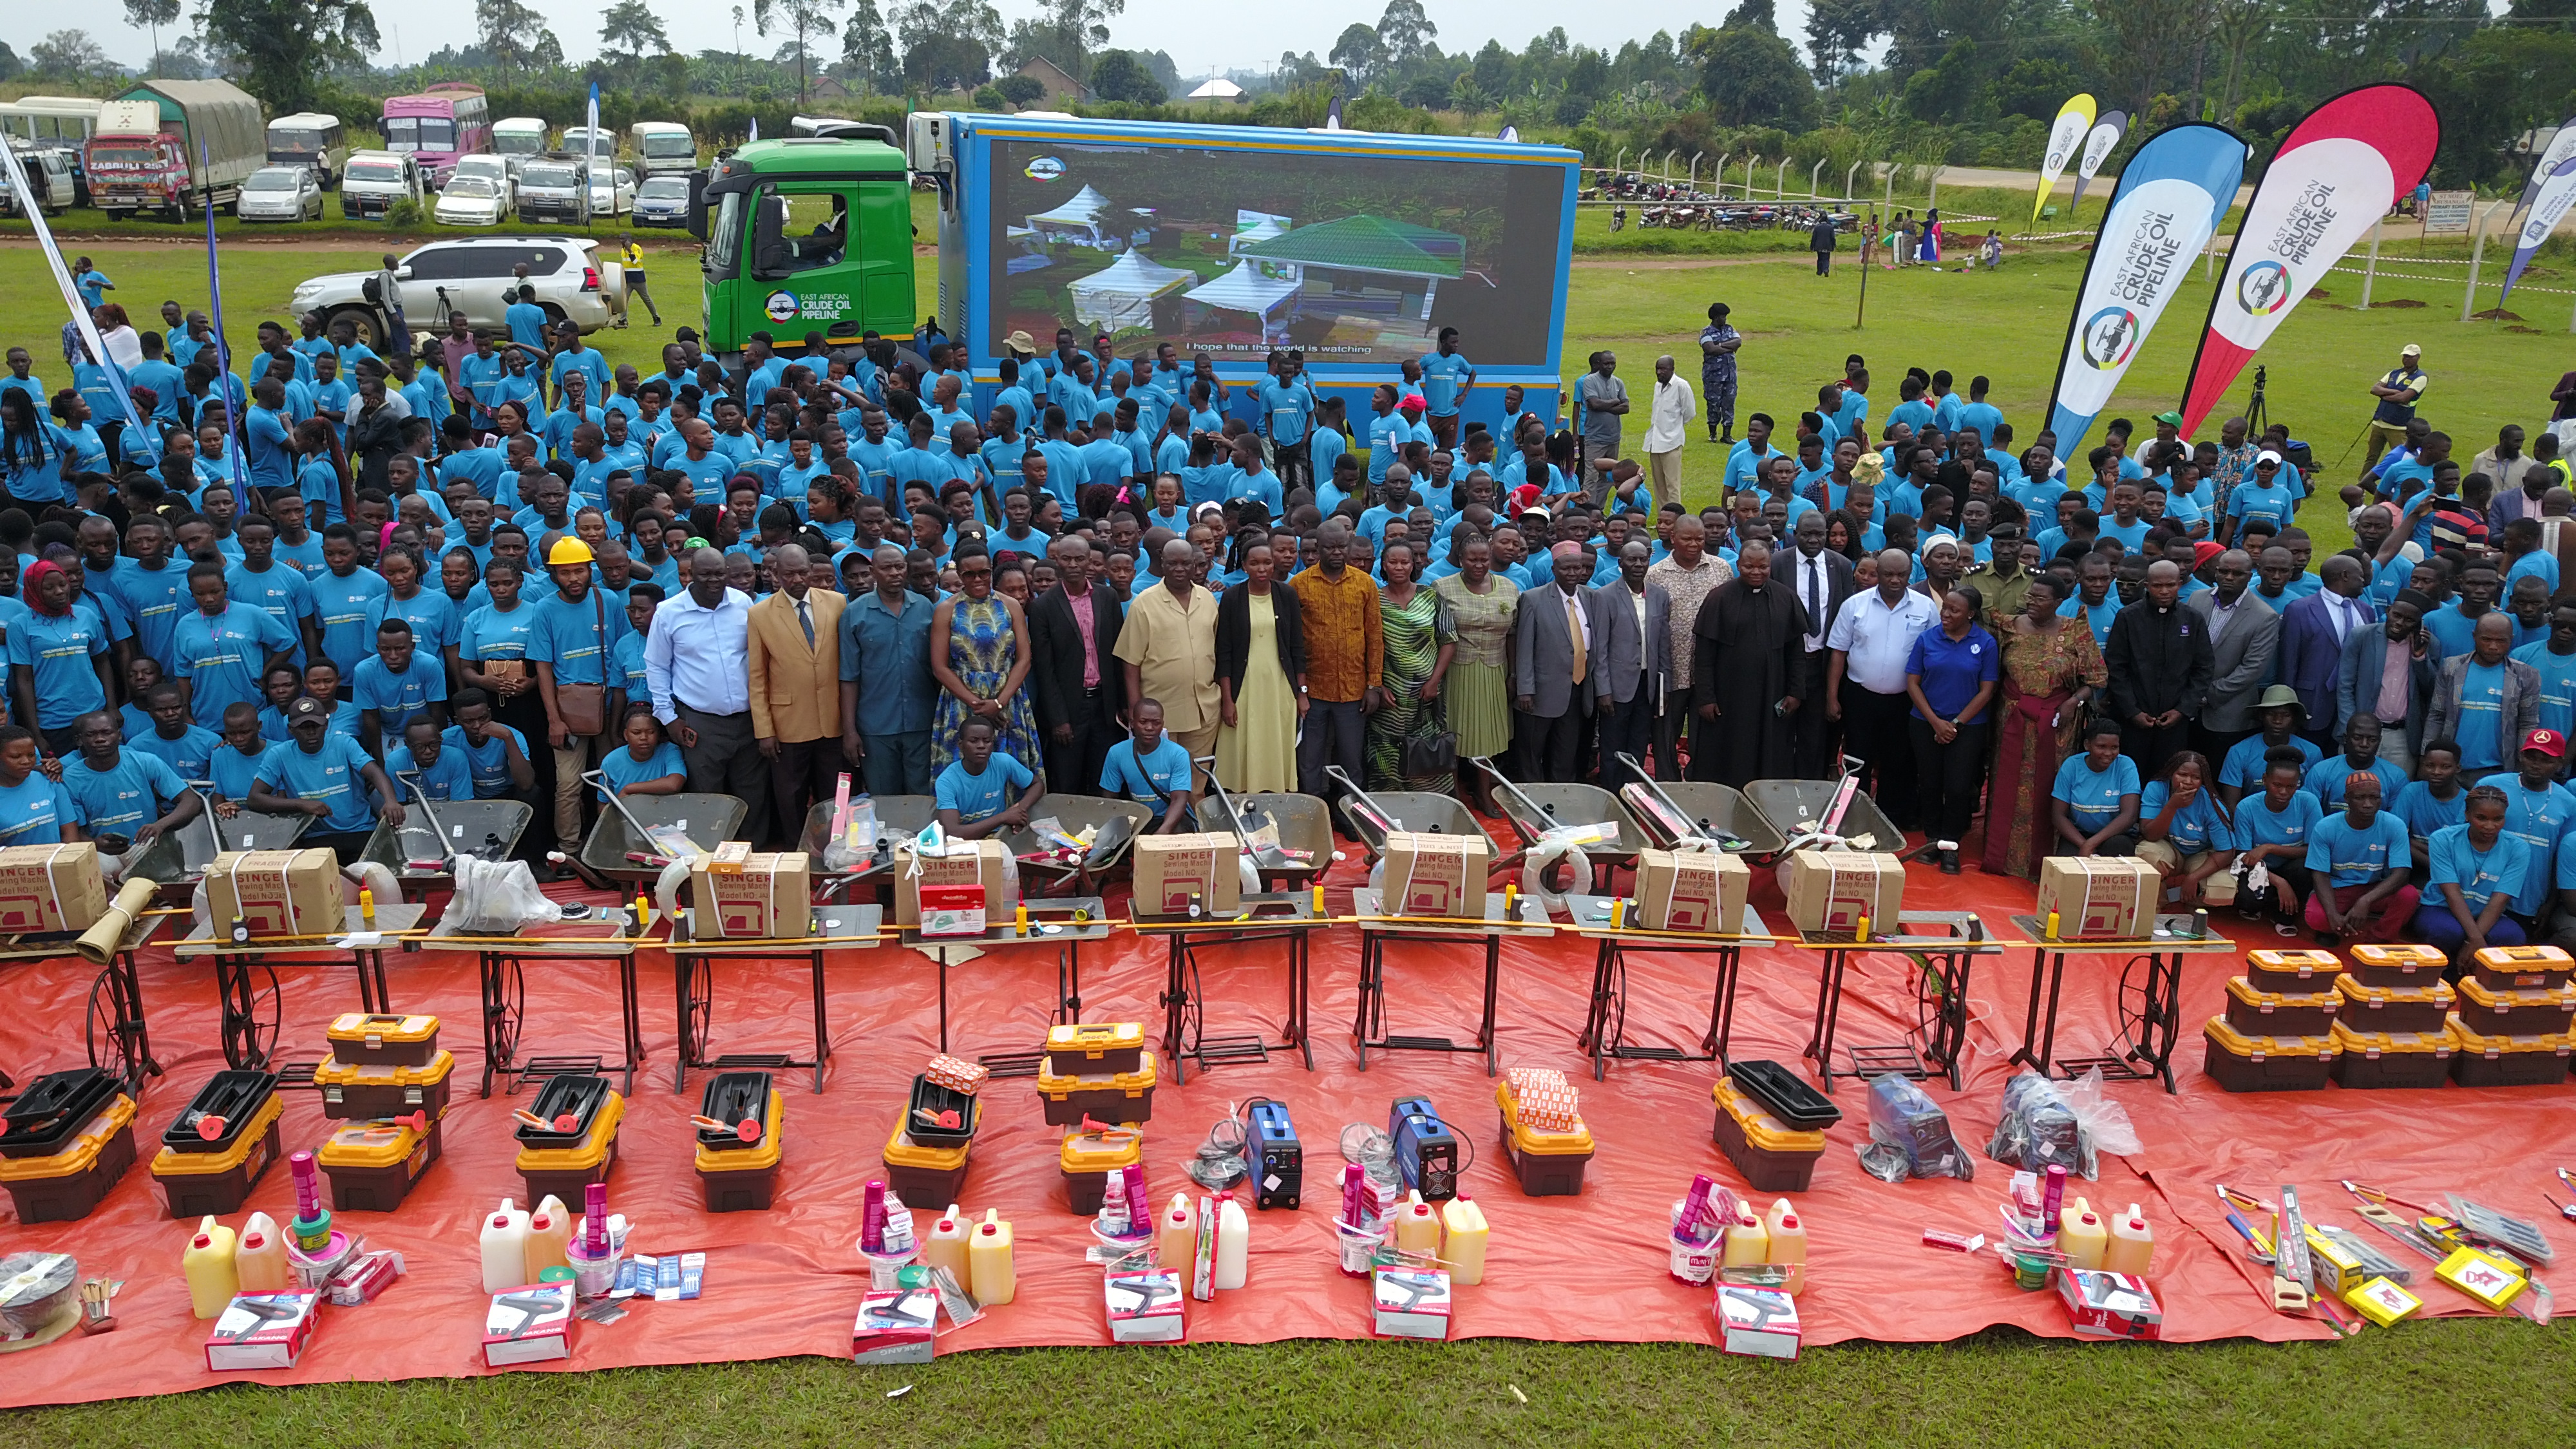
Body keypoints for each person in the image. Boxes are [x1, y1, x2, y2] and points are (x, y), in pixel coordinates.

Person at [1984, 573, 2108, 879]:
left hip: (2057, 722)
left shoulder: (2075, 630)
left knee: (2048, 783)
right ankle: (2001, 855)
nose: (2032, 602)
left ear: (2058, 602)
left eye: (2040, 598)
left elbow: (2096, 678)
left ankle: (2043, 857)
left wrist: (2074, 701)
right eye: (2031, 596)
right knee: (2006, 783)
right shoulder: (2007, 626)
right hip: (2012, 718)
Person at [643, 546, 767, 845]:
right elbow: (656, 666)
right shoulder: (669, 613)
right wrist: (668, 718)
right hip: (700, 723)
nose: (713, 581)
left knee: (753, 794)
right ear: (690, 576)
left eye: (719, 574)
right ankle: (712, 858)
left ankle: (754, 857)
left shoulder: (742, 603)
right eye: (705, 574)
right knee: (707, 796)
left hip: (748, 720)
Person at [1827, 548, 1937, 821]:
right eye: (1888, 574)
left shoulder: (1926, 607)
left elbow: (1934, 654)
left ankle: (1891, 818)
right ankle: (1854, 815)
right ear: (1878, 573)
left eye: (1902, 574)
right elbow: (1839, 652)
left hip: (1904, 700)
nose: (1895, 580)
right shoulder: (1855, 605)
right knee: (1857, 758)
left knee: (1898, 760)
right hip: (1860, 697)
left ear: (1910, 574)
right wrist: (1832, 697)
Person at [1690, 540, 1809, 786]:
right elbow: (1704, 656)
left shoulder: (1786, 597)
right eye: (1749, 566)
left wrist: (1795, 691)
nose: (1756, 572)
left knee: (1772, 750)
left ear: (1770, 565)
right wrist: (1706, 697)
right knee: (1728, 752)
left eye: (1763, 567)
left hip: (1773, 691)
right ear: (1738, 565)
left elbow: (1796, 652)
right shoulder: (1719, 598)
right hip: (1729, 696)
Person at [1904, 585, 1998, 873]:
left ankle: (1951, 845)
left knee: (1958, 787)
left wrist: (1956, 724)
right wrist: (1936, 722)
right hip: (1926, 724)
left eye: (1954, 610)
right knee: (1930, 783)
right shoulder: (1927, 639)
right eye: (1944, 607)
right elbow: (1912, 683)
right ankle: (1933, 840)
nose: (1945, 614)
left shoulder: (1985, 643)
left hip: (1967, 728)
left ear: (1971, 614)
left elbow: (1987, 690)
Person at [1289, 522, 1382, 810]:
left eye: (1342, 546)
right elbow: (1293, 641)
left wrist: (1373, 685)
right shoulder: (1299, 585)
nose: (1337, 552)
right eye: (1330, 547)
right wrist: (1300, 690)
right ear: (1317, 549)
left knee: (1352, 759)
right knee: (1310, 759)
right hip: (1313, 690)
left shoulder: (1365, 584)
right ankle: (1314, 812)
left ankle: (1351, 813)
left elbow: (1374, 636)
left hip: (1354, 689)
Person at [1115, 536, 1223, 781]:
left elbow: (1216, 649)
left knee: (1197, 779)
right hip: (1161, 713)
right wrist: (1135, 708)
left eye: (1185, 563)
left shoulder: (1207, 599)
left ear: (1195, 565)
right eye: (1172, 563)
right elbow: (1130, 662)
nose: (1179, 569)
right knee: (1161, 779)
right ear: (1162, 563)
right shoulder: (1144, 604)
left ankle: (1195, 808)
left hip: (1204, 709)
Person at [248, 695, 402, 863]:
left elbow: (374, 772)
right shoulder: (279, 754)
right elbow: (255, 798)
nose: (311, 732)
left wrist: (391, 801)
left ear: (326, 725)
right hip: (314, 837)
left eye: (316, 726)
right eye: (303, 727)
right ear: (291, 729)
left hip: (360, 831)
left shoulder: (344, 743)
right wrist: (301, 804)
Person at [1028, 535, 1127, 797]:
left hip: (1105, 706)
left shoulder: (1108, 597)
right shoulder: (1043, 606)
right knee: (1066, 780)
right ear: (1057, 561)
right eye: (1066, 559)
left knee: (1105, 780)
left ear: (1090, 562)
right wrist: (1058, 719)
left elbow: (1118, 655)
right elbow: (1044, 669)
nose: (1073, 565)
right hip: (1069, 708)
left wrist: (1123, 704)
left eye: (1079, 559)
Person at [841, 544, 938, 798]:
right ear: (873, 572)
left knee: (923, 797)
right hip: (876, 726)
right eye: (886, 568)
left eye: (899, 567)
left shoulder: (926, 608)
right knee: (884, 798)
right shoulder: (854, 613)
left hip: (922, 721)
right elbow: (849, 677)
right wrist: (850, 731)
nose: (894, 573)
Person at [2104, 560, 2212, 781]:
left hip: (2175, 721)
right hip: (2133, 719)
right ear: (2146, 585)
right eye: (2157, 586)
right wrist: (2132, 711)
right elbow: (2116, 667)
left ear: (2179, 584)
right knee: (2131, 776)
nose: (2164, 591)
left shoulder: (2193, 619)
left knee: (2167, 777)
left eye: (2170, 585)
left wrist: (2182, 710)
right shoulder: (2128, 617)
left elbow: (2203, 668)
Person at [1365, 540, 1457, 793]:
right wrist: (1377, 686)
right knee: (1387, 752)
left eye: (1404, 562)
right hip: (1389, 697)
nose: (1399, 567)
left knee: (1427, 751)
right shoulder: (1374, 600)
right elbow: (1365, 646)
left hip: (1426, 696)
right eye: (1393, 562)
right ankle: (1389, 805)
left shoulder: (1431, 596)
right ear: (1383, 565)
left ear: (1413, 565)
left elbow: (1449, 640)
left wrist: (1434, 681)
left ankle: (1430, 803)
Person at [1213, 538, 1303, 796]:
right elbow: (1224, 653)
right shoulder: (1232, 597)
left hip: (1279, 686)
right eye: (1254, 563)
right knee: (1243, 740)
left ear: (1274, 564)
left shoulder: (1287, 595)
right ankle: (1242, 800)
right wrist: (1228, 700)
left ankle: (1276, 797)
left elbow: (1297, 647)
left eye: (1267, 562)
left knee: (1275, 741)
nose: (1261, 569)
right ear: (1244, 566)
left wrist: (1302, 692)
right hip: (1244, 686)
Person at [1512, 543, 1604, 782]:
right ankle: (1531, 795)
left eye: (1577, 568)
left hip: (1576, 690)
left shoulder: (1591, 598)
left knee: (1566, 753)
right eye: (1566, 568)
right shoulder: (1533, 599)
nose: (1573, 573)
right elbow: (1524, 648)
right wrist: (1525, 690)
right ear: (1554, 570)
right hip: (1540, 693)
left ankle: (1562, 794)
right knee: (1532, 753)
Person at [57, 710, 203, 857]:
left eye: (107, 732)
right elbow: (72, 832)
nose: (100, 739)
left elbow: (191, 801)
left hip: (147, 847)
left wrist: (160, 825)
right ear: (79, 740)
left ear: (119, 735)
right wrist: (95, 845)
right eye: (91, 734)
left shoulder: (146, 762)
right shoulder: (70, 778)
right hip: (102, 854)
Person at [8, 559, 116, 757]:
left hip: (93, 712)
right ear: (34, 591)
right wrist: (36, 733)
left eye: (62, 584)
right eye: (49, 588)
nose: (59, 591)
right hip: (53, 720)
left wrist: (111, 707)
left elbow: (102, 661)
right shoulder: (20, 625)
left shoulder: (86, 616)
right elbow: (24, 679)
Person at [2185, 547, 2281, 765]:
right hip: (2186, 708)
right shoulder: (2197, 599)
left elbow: (2253, 668)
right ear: (2216, 572)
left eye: (2237, 574)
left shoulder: (2265, 616)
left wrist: (2208, 694)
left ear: (2250, 576)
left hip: (2227, 716)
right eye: (2224, 571)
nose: (2229, 577)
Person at [2425, 612, 2540, 781]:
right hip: (2451, 768)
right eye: (2486, 639)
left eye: (2501, 641)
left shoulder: (2526, 675)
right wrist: (2426, 755)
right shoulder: (2452, 667)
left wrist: (2521, 765)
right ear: (2474, 636)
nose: (2493, 647)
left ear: (2511, 639)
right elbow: (2437, 715)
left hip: (2499, 770)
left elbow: (2528, 723)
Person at [2304, 772, 2417, 943]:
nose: (2368, 804)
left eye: (2374, 798)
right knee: (2317, 918)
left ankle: (2379, 938)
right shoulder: (2326, 827)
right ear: (2347, 799)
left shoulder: (2394, 825)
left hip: (2375, 887)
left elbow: (2401, 874)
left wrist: (2365, 901)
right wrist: (2332, 914)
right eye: (2360, 798)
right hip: (2339, 887)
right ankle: (2337, 925)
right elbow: (2320, 875)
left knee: (2409, 895)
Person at [2336, 589, 2438, 776]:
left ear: (2419, 623)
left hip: (2402, 737)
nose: (2400, 623)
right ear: (2388, 610)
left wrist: (2420, 658)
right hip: (2361, 734)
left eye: (2409, 620)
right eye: (2397, 615)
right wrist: (2349, 729)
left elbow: (2431, 690)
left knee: (2396, 786)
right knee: (2353, 785)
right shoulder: (2362, 636)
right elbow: (2345, 686)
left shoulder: (2430, 644)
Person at [2418, 785, 2529, 956]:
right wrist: (2475, 939)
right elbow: (2451, 894)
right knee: (2447, 932)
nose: (2490, 826)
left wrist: (2473, 941)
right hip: (2441, 907)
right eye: (2481, 818)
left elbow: (2500, 900)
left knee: (2512, 936)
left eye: (2498, 819)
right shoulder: (2443, 839)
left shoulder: (2518, 848)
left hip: (2486, 912)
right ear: (2467, 815)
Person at [2136, 751, 2240, 909]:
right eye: (2182, 775)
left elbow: (2227, 852)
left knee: (2223, 889)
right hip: (2169, 848)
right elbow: (2150, 834)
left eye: (2196, 778)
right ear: (2172, 773)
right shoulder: (2157, 788)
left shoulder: (2212, 803)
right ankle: (2157, 902)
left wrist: (2193, 878)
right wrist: (2172, 806)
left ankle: (2189, 900)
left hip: (2200, 855)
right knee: (2147, 855)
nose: (2188, 782)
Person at [933, 715, 1042, 840]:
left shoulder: (1003, 762)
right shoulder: (947, 781)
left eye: (987, 741)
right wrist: (1003, 817)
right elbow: (954, 832)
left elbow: (1037, 784)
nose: (981, 746)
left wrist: (1019, 810)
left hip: (999, 835)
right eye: (974, 741)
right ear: (961, 745)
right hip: (965, 841)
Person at [1101, 697, 1195, 833]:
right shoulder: (1117, 753)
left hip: (1170, 819)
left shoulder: (1178, 754)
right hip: (1139, 818)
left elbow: (1179, 799)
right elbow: (1110, 798)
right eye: (1143, 722)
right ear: (1132, 723)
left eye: (1156, 723)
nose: (1150, 728)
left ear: (1162, 725)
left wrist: (1161, 834)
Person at [2052, 719, 2142, 857]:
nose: (2108, 753)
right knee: (2067, 862)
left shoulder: (2125, 766)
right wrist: (2084, 844)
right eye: (2101, 747)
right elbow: (2058, 815)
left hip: (2115, 835)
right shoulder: (2072, 766)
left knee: (2119, 847)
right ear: (2087, 745)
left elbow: (2129, 815)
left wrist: (2091, 844)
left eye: (2114, 747)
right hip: (2079, 835)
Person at [0, 726, 77, 844]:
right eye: (16, 757)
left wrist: (65, 856)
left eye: (31, 755)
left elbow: (70, 833)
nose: (26, 761)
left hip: (58, 855)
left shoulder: (50, 779)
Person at [2362, 343, 2427, 473]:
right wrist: (2395, 392)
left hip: (2398, 426)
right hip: (2379, 422)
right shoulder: (2394, 373)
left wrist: (2384, 395)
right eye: (2405, 356)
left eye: (2411, 357)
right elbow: (2374, 389)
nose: (2407, 359)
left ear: (2418, 357)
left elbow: (2404, 398)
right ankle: (2363, 482)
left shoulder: (2421, 377)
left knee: (2402, 459)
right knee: (2371, 457)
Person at [1642, 356, 1696, 511]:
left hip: (1672, 443)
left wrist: (1674, 427)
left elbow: (1689, 413)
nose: (1659, 372)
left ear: (1672, 369)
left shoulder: (1682, 386)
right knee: (1659, 485)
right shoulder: (1657, 386)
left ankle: (1675, 517)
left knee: (1672, 485)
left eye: (1663, 369)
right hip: (1654, 442)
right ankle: (1663, 517)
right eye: (1657, 369)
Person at [1577, 351, 1628, 492]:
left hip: (1614, 438)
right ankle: (1588, 505)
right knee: (1591, 477)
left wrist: (1604, 406)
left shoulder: (1618, 382)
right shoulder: (1590, 381)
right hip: (1595, 439)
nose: (1610, 367)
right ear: (1599, 364)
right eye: (1606, 364)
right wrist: (1616, 401)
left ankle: (1599, 505)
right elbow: (1595, 404)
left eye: (1613, 363)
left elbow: (1626, 408)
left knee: (1608, 477)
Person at [1698, 305, 1739, 446]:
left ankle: (1727, 434)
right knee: (1713, 403)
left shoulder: (1729, 329)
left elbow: (1738, 342)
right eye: (1723, 316)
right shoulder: (1706, 332)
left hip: (1730, 375)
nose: (1725, 319)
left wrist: (1720, 345)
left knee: (1729, 403)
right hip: (1713, 376)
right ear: (1716, 317)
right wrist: (1729, 348)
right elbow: (1710, 349)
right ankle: (1713, 433)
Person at [619, 235, 662, 327]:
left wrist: (630, 250)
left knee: (646, 299)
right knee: (624, 299)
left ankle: (656, 317)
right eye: (620, 239)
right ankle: (623, 320)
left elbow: (635, 262)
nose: (622, 242)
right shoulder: (623, 250)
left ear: (629, 240)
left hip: (638, 279)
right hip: (628, 279)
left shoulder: (637, 248)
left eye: (623, 240)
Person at [1809, 211, 1838, 277]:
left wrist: (1812, 247)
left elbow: (1814, 238)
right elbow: (1832, 238)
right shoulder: (1831, 227)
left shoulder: (1817, 227)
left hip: (1818, 246)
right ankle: (1826, 269)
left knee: (1820, 258)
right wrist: (1834, 245)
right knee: (1826, 258)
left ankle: (1819, 272)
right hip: (1828, 246)